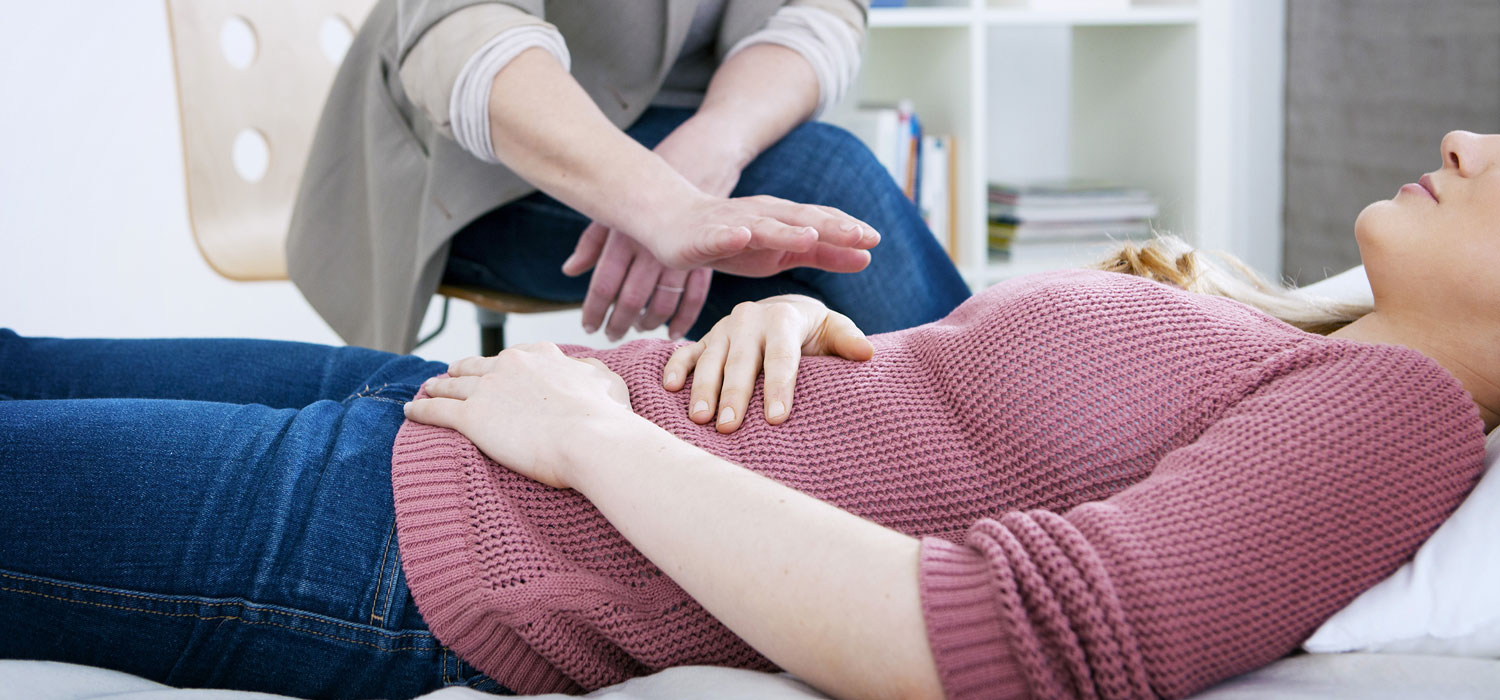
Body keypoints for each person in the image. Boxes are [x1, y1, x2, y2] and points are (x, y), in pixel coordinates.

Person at [1, 130, 1495, 700]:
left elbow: (1007, 638)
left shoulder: (1403, 418)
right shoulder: (1328, 355)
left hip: (445, 535)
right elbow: (962, 443)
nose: (1467, 136)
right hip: (467, 429)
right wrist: (804, 326)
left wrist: (600, 443)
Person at [288, 0, 971, 352]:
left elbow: (816, 12)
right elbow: (462, 28)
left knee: (788, 292)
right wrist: (664, 207)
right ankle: (1020, 460)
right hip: (466, 154)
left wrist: (709, 151)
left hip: (683, 129)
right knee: (823, 182)